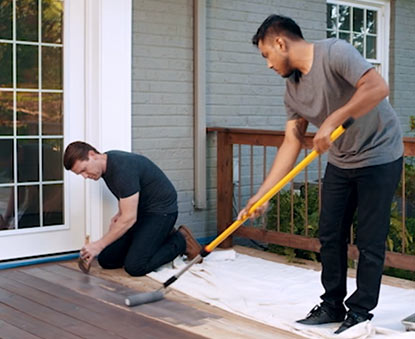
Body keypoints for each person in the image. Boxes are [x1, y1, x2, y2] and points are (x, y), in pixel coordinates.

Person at [239, 15, 403, 334]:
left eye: (266, 55)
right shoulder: (293, 91)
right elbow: (291, 142)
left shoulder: (335, 53)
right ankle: (332, 304)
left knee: (369, 240)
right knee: (329, 234)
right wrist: (263, 194)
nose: (268, 65)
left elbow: (377, 87)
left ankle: (360, 312)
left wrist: (332, 120)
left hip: (380, 154)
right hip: (342, 161)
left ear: (280, 43)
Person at [63, 141, 202, 276]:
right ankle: (150, 240)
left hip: (161, 212)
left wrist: (98, 245)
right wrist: (119, 213)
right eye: (80, 174)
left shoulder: (122, 168)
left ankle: (180, 241)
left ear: (92, 154)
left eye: (84, 170)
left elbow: (129, 218)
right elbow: (127, 195)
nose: (85, 176)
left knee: (135, 266)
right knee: (107, 260)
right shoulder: (105, 166)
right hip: (141, 212)